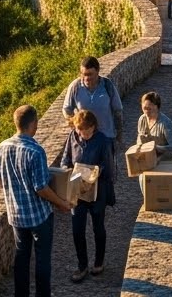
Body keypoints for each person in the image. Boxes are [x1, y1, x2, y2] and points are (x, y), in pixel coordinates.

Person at [0, 104, 74, 297]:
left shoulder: (2, 147)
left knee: (21, 257)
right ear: (34, 124)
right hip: (39, 216)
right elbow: (41, 188)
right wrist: (61, 203)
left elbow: (0, 181)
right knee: (42, 260)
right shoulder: (35, 151)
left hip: (16, 215)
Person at [60, 109, 114, 283]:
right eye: (78, 130)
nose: (81, 134)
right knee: (77, 229)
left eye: (84, 131)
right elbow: (65, 160)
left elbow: (108, 167)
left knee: (98, 227)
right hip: (77, 191)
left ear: (93, 127)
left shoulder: (103, 141)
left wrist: (93, 173)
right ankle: (82, 265)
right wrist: (67, 170)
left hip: (97, 191)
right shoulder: (73, 137)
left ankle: (98, 262)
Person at [63, 57, 123, 150]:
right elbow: (67, 110)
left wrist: (119, 136)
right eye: (84, 74)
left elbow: (118, 110)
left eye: (90, 74)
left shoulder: (107, 86)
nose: (86, 78)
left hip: (106, 138)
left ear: (97, 71)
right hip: (85, 140)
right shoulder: (75, 87)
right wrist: (77, 128)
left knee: (107, 164)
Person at [136, 91, 172, 161]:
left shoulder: (165, 123)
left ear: (157, 107)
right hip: (146, 159)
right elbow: (139, 139)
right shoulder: (142, 119)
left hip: (162, 161)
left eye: (149, 109)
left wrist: (156, 148)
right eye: (144, 108)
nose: (146, 112)